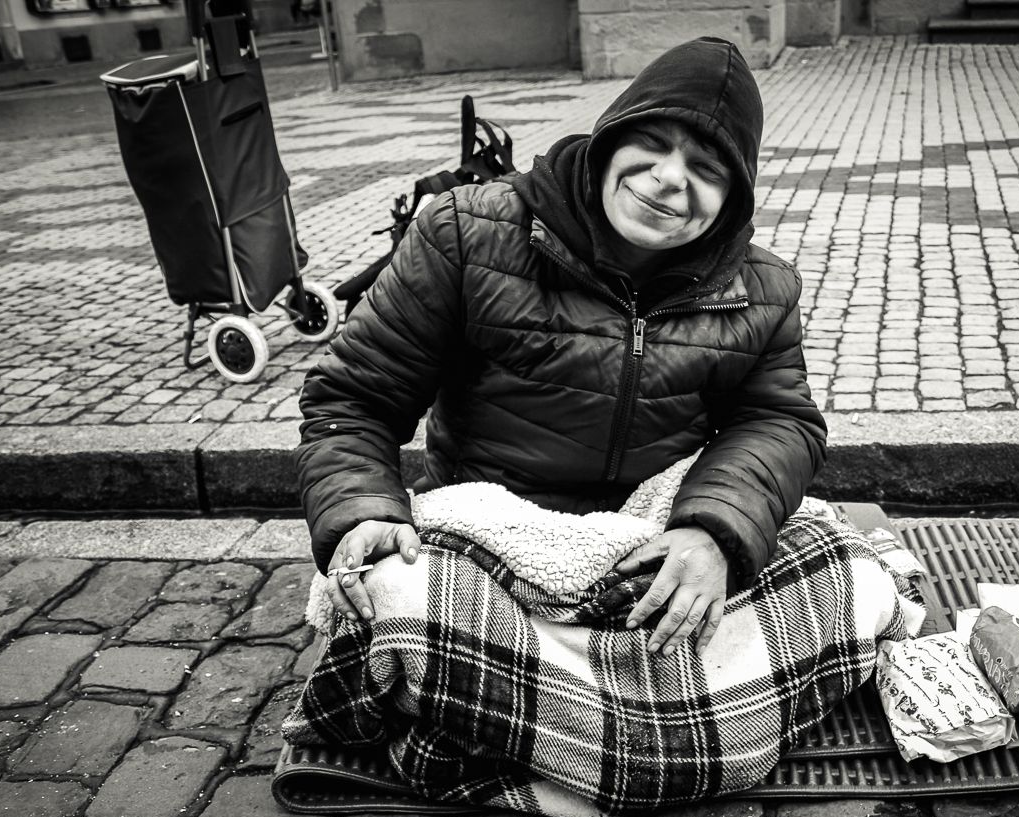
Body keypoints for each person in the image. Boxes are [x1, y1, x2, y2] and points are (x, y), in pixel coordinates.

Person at [296, 36, 826, 660]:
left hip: (648, 551)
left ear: (732, 196)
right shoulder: (466, 233)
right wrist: (364, 511)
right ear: (609, 140)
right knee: (385, 593)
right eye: (654, 143)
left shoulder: (763, 289)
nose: (668, 178)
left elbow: (777, 422)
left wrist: (712, 533)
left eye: (707, 169)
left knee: (845, 583)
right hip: (481, 546)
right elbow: (355, 398)